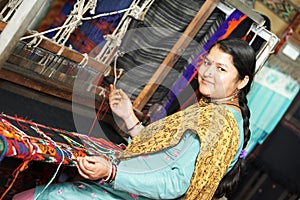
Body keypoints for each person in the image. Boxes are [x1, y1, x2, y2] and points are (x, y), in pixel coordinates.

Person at [13, 38, 256, 200]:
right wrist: (129, 117)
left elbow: (175, 183)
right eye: (207, 63)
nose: (207, 73)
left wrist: (111, 173)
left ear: (242, 81)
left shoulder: (219, 122)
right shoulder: (215, 112)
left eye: (221, 69)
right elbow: (164, 155)